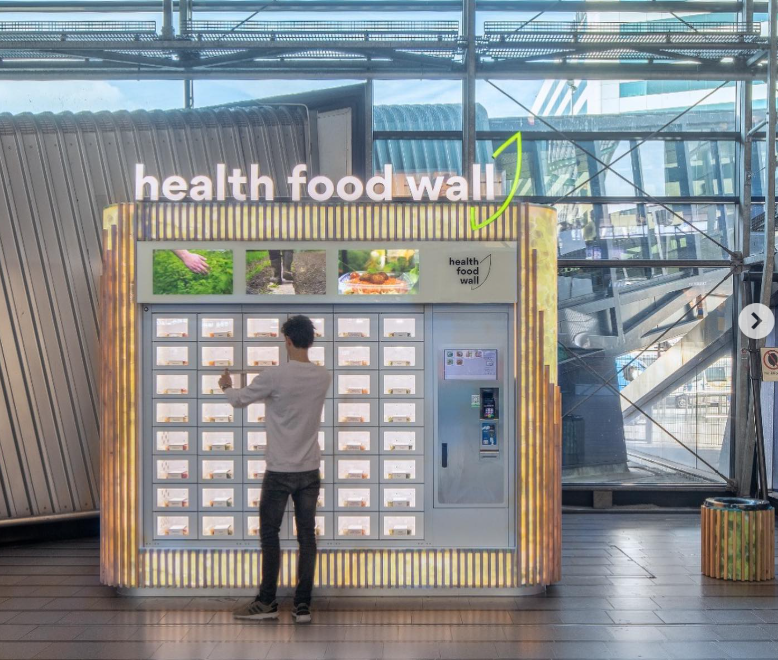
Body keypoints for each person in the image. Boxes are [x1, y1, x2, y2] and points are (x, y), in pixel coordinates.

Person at [219, 315, 330, 624]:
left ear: (288, 341)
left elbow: (239, 400)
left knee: (270, 534)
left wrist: (227, 386)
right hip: (309, 470)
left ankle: (267, 602)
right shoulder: (324, 377)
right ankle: (302, 606)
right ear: (311, 340)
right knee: (306, 537)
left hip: (279, 470)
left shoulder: (274, 375)